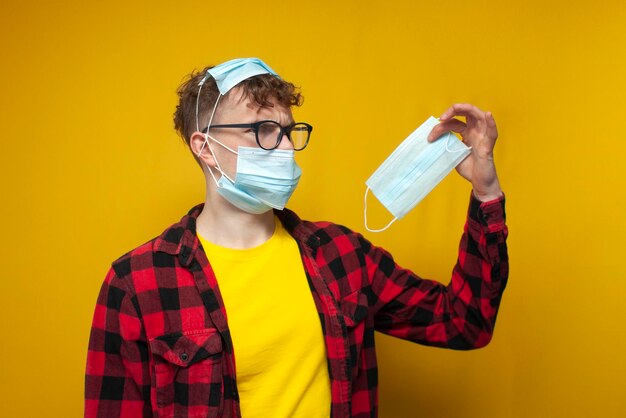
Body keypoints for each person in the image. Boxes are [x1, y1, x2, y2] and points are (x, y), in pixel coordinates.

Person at [85, 58, 508, 418]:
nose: (285, 148)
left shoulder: (342, 256)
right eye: (263, 131)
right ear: (206, 147)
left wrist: (486, 193)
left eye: (288, 130)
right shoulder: (137, 284)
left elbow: (465, 322)